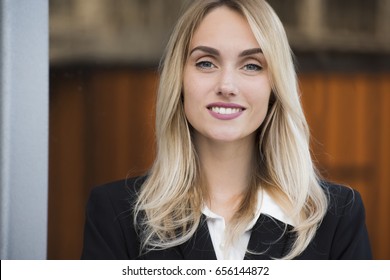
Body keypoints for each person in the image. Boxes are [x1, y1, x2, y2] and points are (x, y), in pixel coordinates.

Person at [81, 0, 372, 260]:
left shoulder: (337, 217)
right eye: (206, 63)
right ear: (179, 81)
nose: (227, 86)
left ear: (275, 87)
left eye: (252, 65)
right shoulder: (115, 214)